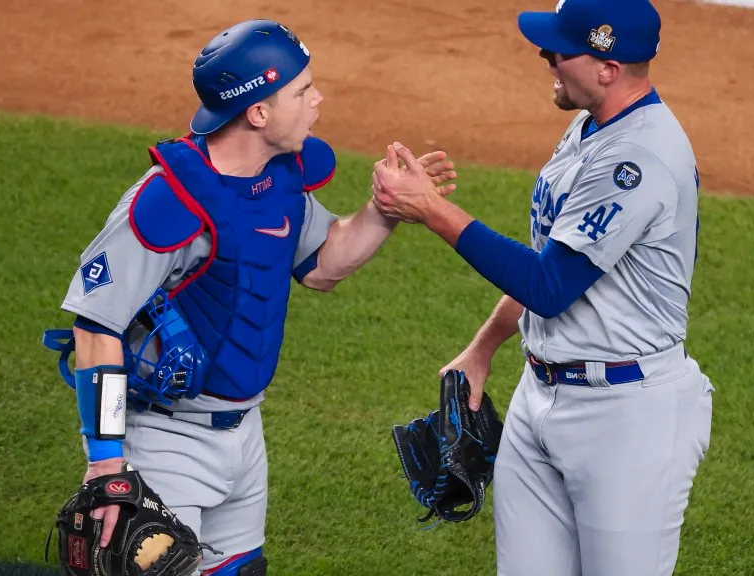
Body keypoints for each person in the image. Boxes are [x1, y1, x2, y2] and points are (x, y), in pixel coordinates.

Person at [48, 19, 456, 575]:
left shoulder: (278, 177)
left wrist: (385, 211)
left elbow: (322, 266)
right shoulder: (170, 201)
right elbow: (95, 325)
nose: (318, 101)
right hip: (166, 443)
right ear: (258, 112)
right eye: (302, 91)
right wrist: (106, 463)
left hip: (245, 436)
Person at [370, 0, 714, 574]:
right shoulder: (589, 127)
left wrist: (431, 210)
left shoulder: (638, 156)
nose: (545, 57)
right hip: (540, 395)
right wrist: (484, 348)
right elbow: (550, 258)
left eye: (560, 49)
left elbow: (551, 285)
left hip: (625, 417)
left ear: (608, 66)